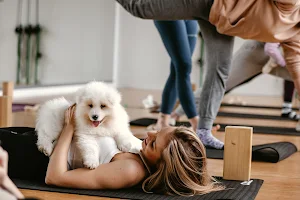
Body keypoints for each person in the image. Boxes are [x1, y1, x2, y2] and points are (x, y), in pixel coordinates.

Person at [115, 0, 300, 149]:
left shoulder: (294, 33)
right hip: (208, 3)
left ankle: (203, 132)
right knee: (141, 8)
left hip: (222, 23)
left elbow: (296, 68)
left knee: (221, 68)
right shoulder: (291, 4)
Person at [2, 105, 222, 196]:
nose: (150, 135)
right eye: (159, 131)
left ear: (162, 165)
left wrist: (70, 126)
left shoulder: (130, 170)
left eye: (155, 143)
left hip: (31, 157)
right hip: (40, 137)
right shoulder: (143, 153)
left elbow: (55, 177)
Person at [172, 42, 300, 121]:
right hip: (257, 51)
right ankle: (176, 114)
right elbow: (270, 47)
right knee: (220, 84)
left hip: (279, 54)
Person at [153, 20, 199, 131]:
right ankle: (196, 122)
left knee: (178, 68)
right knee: (184, 66)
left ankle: (163, 120)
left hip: (192, 13)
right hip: (169, 9)